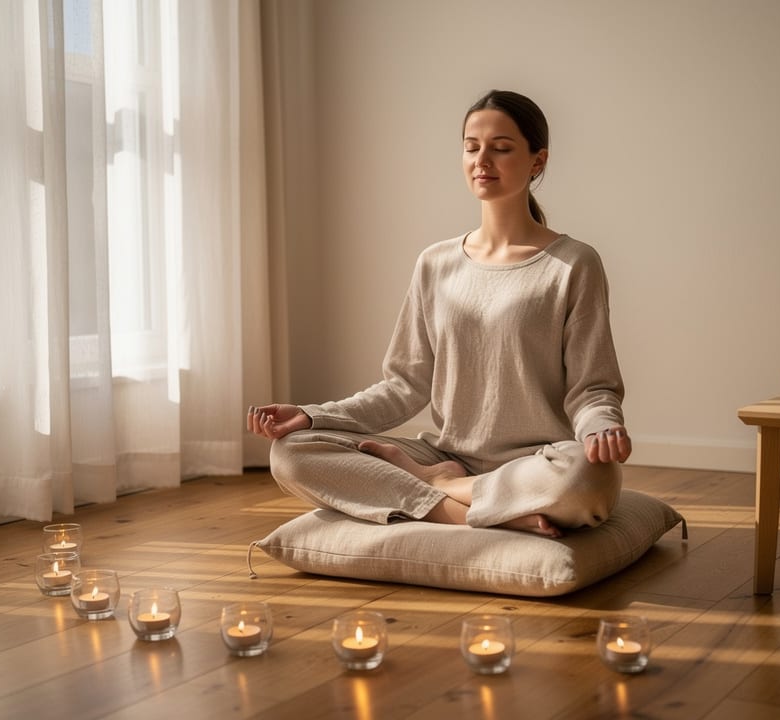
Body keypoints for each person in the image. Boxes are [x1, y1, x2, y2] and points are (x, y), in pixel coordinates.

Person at [247, 89, 631, 538]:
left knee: (590, 478)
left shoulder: (574, 263)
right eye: (472, 147)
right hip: (446, 451)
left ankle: (445, 486)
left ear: (537, 161)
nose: (482, 159)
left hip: (536, 463)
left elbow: (592, 387)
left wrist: (602, 428)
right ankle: (458, 509)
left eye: (501, 148)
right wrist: (314, 416)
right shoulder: (436, 262)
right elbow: (404, 386)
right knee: (292, 452)